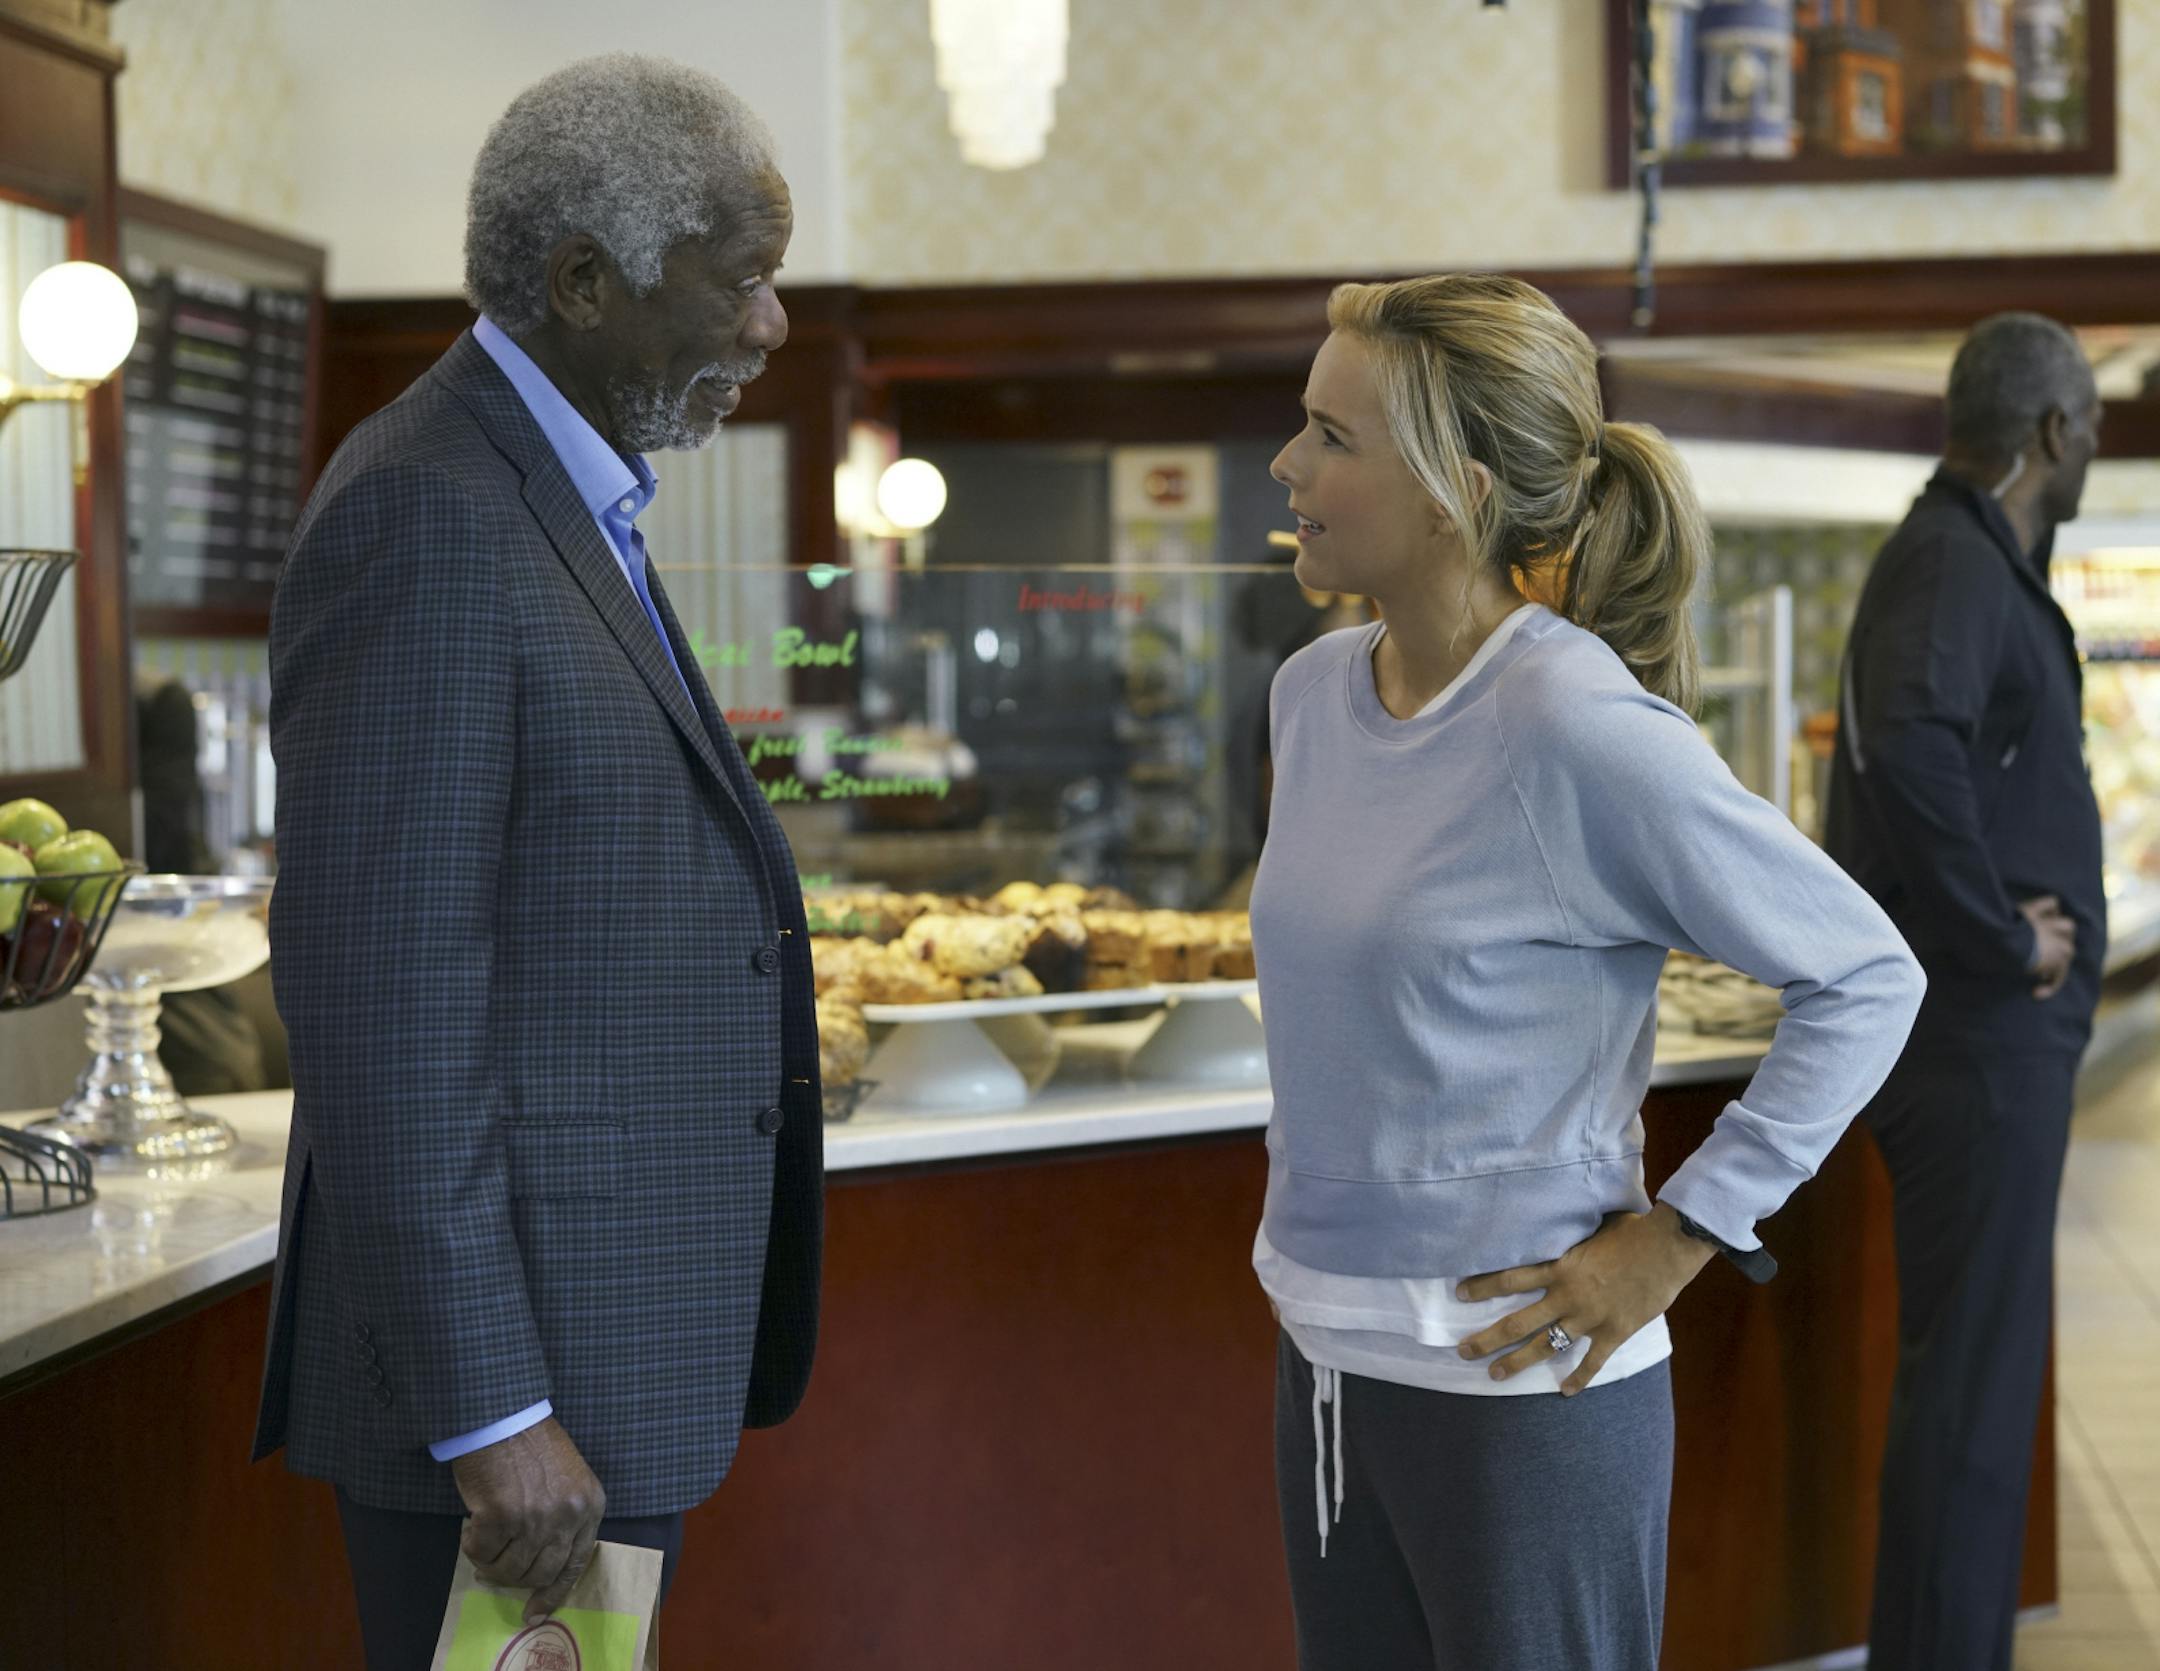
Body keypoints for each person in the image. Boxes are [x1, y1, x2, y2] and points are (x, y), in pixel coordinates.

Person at [1250, 273, 1926, 1670]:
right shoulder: (1310, 694)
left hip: (1526, 1384)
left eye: (1332, 435)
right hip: (1325, 1359)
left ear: (1457, 491)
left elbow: (1868, 974)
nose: (1288, 463)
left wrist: (1682, 1236)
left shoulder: (1574, 722)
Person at [253, 56, 822, 1668]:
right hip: (514, 1414)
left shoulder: (564, 497)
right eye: (744, 280)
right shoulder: (427, 514)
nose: (769, 325)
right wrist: (494, 1411)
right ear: (585, 280)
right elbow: (383, 1012)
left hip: (595, 1356)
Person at [1825, 313, 2105, 1671]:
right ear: (2051, 431)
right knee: (1971, 1417)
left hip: (1992, 1049)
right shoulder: (1951, 561)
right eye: (2094, 425)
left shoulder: (1970, 560)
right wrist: (2007, 938)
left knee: (1980, 1405)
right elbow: (1913, 757)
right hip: (1977, 1048)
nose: (2096, 447)